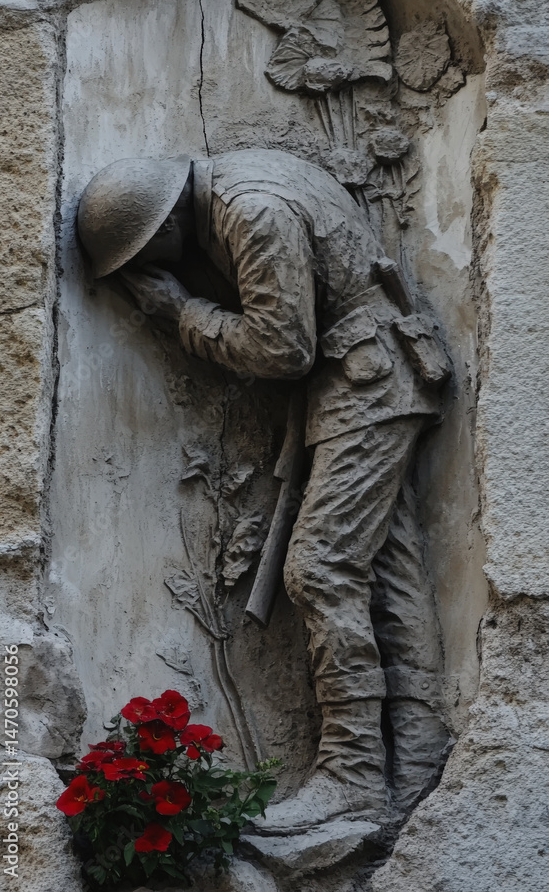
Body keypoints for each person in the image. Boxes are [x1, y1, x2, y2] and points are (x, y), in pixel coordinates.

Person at [77, 148, 450, 832]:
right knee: (386, 570)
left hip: (366, 385)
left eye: (142, 262)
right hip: (369, 380)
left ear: (160, 229)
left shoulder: (250, 211)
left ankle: (355, 774)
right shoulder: (248, 174)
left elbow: (284, 348)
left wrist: (184, 310)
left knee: (320, 568)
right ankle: (421, 761)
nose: (151, 274)